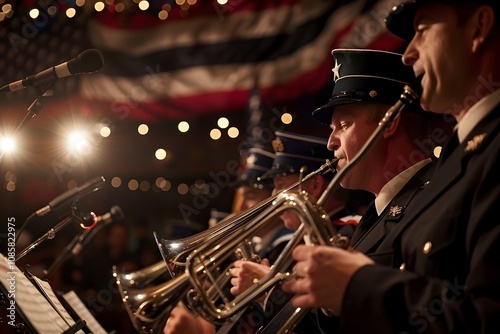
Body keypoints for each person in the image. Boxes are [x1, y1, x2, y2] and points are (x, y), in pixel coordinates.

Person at [282, 1, 500, 333]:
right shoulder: (456, 160)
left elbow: (485, 317)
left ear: (479, 27)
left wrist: (359, 285)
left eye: (423, 29)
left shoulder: (479, 154)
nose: (409, 53)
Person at [234, 48, 449, 334]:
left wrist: (271, 290)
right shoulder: (378, 213)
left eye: (344, 125)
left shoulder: (434, 199)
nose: (331, 143)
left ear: (389, 123)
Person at [164, 146, 294, 334]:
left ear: (271, 196)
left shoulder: (285, 248)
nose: (240, 206)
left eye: (250, 196)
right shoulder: (258, 248)